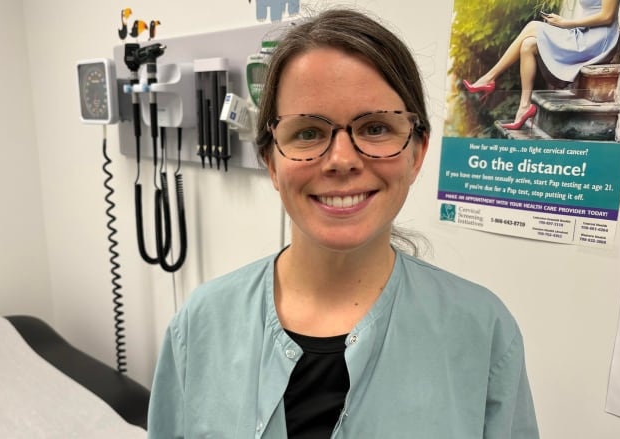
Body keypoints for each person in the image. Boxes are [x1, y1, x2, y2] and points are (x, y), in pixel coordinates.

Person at [147, 7, 539, 438]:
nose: (342, 160)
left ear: (417, 152)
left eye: (375, 127)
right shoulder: (200, 327)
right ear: (271, 163)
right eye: (309, 132)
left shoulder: (482, 334)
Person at [464, 0, 620, 129]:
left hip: (599, 38)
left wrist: (567, 23)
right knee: (528, 45)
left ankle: (490, 78)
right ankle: (524, 106)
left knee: (533, 27)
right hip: (583, 33)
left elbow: (607, 16)